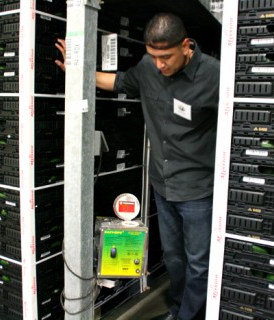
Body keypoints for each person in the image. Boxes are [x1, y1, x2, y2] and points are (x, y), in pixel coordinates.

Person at [55, 12, 220, 320]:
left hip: (198, 190)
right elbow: (117, 81)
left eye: (166, 57)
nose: (160, 65)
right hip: (162, 184)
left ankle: (190, 317)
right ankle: (177, 310)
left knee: (200, 262)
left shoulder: (214, 76)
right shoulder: (148, 68)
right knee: (173, 258)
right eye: (154, 56)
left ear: (186, 46)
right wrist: (77, 71)